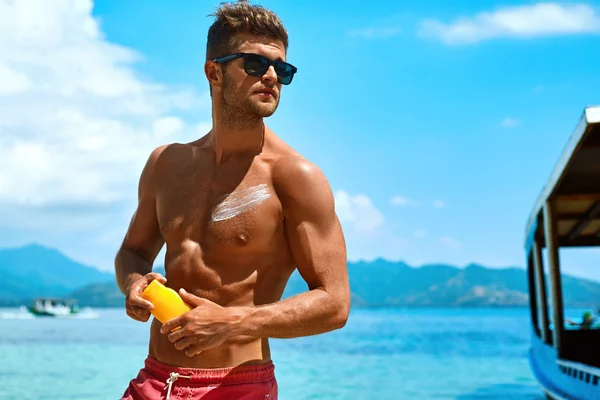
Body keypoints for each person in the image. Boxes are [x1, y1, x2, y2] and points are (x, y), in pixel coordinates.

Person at [114, 1, 350, 399]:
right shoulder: (165, 164)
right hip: (154, 381)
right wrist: (134, 284)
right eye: (255, 64)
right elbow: (133, 251)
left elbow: (334, 303)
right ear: (214, 72)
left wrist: (235, 323)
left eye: (283, 69)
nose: (272, 76)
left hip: (237, 387)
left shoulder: (294, 177)